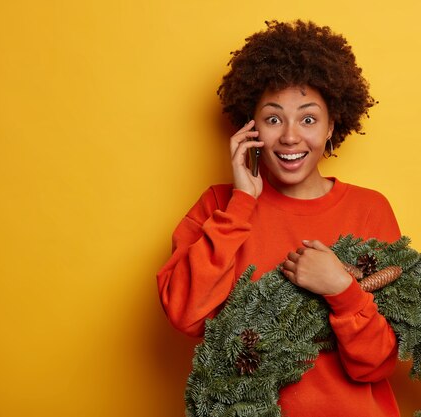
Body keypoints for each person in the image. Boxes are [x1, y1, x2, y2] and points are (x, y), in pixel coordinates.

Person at [157, 20, 403, 417]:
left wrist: (341, 288)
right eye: (273, 119)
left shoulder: (369, 209)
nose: (290, 137)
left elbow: (377, 363)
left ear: (331, 127)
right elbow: (185, 315)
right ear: (250, 128)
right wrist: (241, 204)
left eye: (308, 119)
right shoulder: (219, 206)